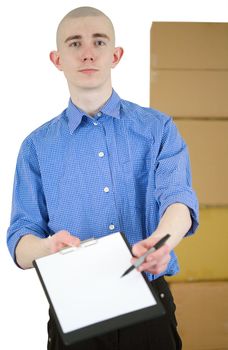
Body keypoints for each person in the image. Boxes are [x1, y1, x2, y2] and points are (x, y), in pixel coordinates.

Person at [7, 6, 199, 350]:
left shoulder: (158, 129)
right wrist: (48, 247)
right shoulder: (36, 147)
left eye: (99, 41)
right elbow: (21, 244)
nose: (88, 52)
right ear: (57, 59)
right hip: (74, 311)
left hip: (148, 303)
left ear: (116, 54)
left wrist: (161, 243)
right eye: (74, 43)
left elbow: (179, 201)